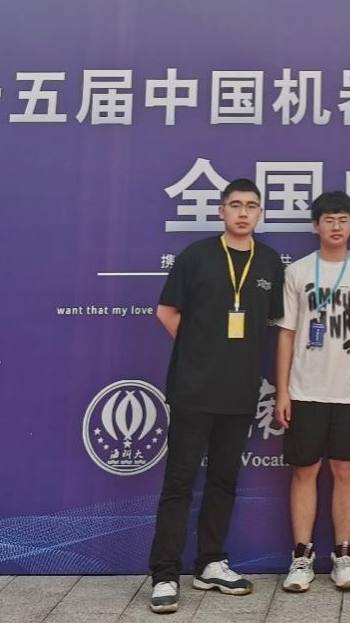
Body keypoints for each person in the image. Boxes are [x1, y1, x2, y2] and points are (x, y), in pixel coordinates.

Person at [147, 178, 285, 614]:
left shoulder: (269, 261)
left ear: (260, 213)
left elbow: (269, 321)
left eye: (251, 206)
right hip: (193, 389)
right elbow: (166, 311)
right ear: (222, 211)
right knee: (180, 483)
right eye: (235, 205)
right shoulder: (196, 255)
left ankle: (210, 563)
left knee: (224, 481)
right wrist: (198, 351)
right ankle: (165, 574)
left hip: (240, 392)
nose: (243, 213)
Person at [274, 191, 350, 592]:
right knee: (305, 470)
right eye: (329, 219)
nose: (336, 226)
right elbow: (286, 334)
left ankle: (344, 555)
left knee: (345, 470)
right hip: (305, 389)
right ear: (315, 225)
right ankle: (302, 557)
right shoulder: (298, 271)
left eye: (343, 219)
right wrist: (283, 391)